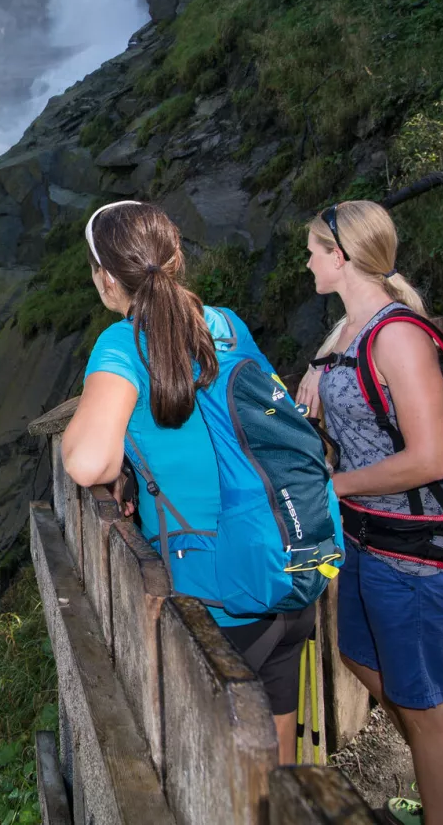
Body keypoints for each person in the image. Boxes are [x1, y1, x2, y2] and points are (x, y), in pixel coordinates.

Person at [59, 200, 314, 764]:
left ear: (106, 279)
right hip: (283, 563)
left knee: (231, 779)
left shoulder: (122, 343)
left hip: (220, 597)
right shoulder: (224, 322)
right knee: (281, 772)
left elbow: (84, 463)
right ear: (174, 258)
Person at [296, 200, 443, 825]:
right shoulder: (348, 336)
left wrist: (336, 486)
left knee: (429, 709)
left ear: (342, 256)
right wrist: (315, 376)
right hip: (368, 538)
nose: (307, 262)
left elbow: (430, 458)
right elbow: (346, 390)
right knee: (361, 658)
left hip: (418, 552)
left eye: (314, 251)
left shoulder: (399, 335)